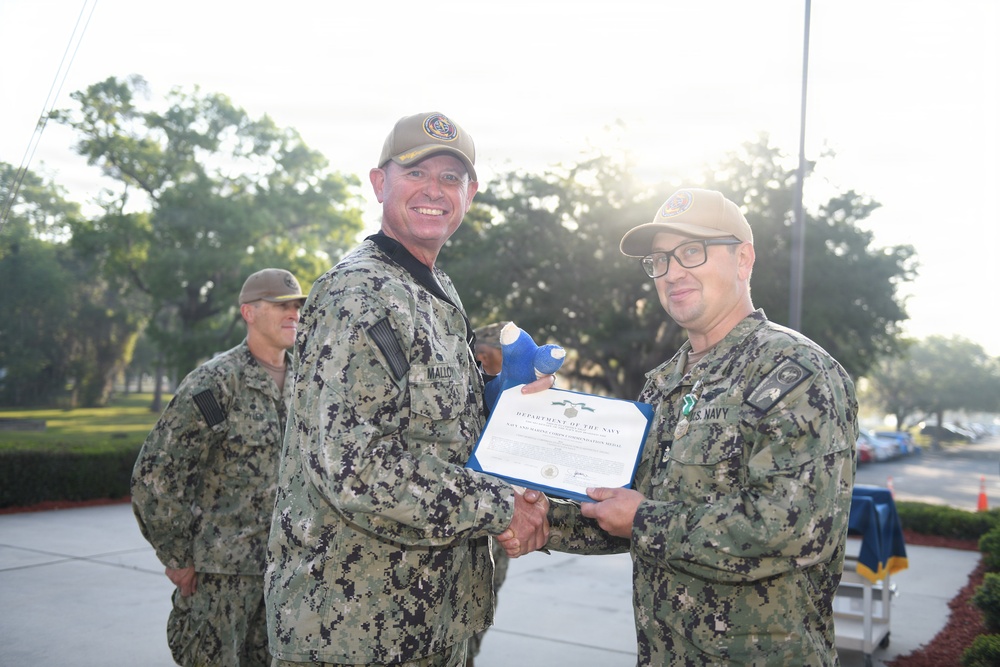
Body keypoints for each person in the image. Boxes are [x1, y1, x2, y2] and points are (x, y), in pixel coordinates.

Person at [506, 188, 858, 665]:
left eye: (691, 251)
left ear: (743, 259)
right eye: (659, 260)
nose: (672, 272)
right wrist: (543, 520)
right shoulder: (663, 383)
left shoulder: (796, 372)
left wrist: (644, 520)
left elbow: (797, 530)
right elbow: (623, 509)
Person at [264, 112, 551, 667]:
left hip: (431, 621)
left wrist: (509, 406)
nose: (434, 190)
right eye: (416, 172)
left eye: (450, 178)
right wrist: (502, 508)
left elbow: (438, 432)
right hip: (350, 629)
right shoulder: (358, 294)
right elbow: (353, 467)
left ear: (470, 194)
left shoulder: (434, 290)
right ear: (379, 183)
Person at [131, 268, 308, 667]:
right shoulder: (216, 383)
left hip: (289, 574)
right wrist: (176, 556)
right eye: (280, 305)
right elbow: (157, 475)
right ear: (248, 312)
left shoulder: (309, 383)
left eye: (297, 305)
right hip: (222, 578)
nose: (293, 313)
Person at [467, 322, 511, 666]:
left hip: (504, 524)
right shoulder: (467, 394)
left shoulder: (514, 395)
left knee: (487, 598)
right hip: (470, 520)